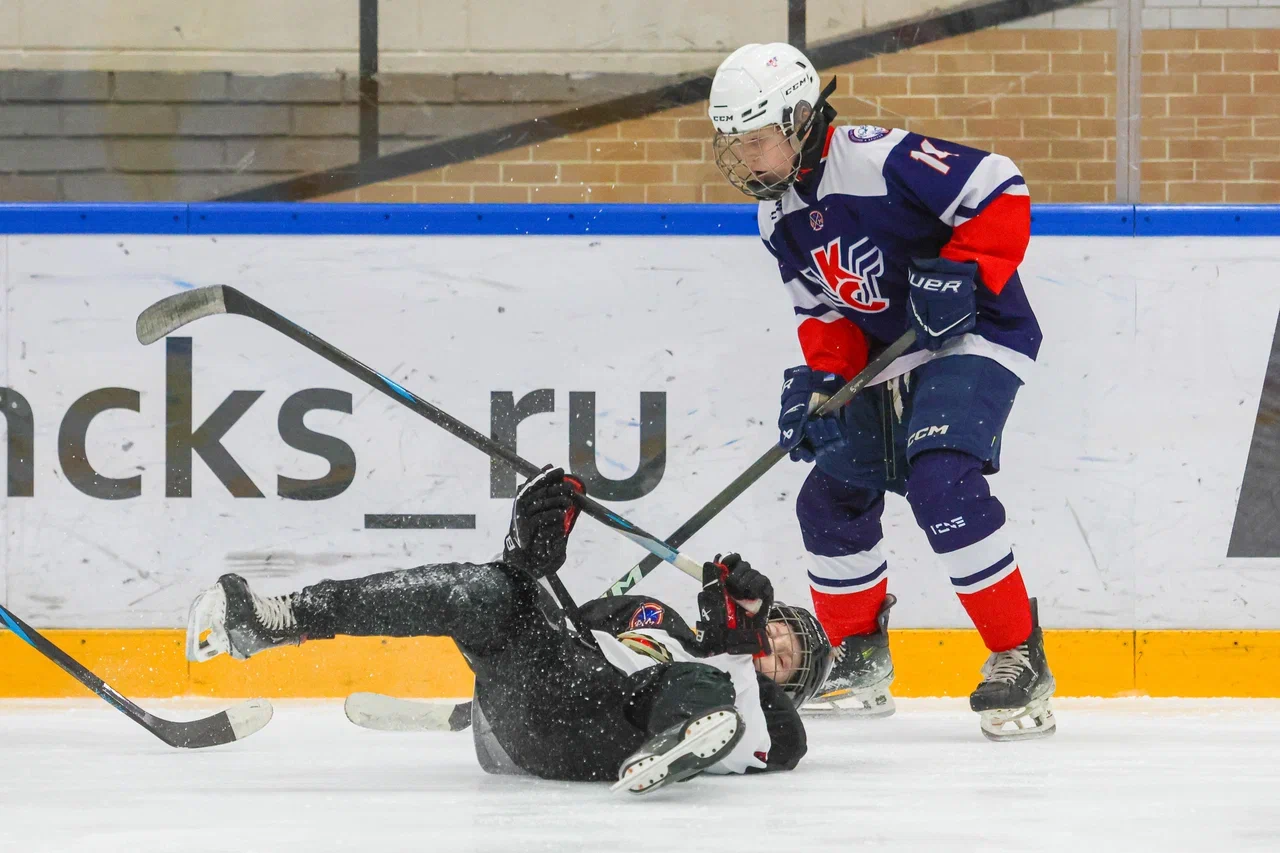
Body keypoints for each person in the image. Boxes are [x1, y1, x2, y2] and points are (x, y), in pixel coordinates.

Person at [707, 42, 1055, 741]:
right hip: (892, 356)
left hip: (974, 333)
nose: (745, 160)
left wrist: (959, 272)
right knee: (829, 496)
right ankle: (858, 657)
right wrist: (824, 386)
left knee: (941, 481)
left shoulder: (873, 156)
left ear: (801, 119)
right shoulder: (775, 216)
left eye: (756, 141)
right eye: (735, 145)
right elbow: (824, 312)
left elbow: (999, 185)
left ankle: (1019, 653)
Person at [184, 467, 832, 793]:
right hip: (538, 704)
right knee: (488, 592)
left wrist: (735, 656)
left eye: (785, 660)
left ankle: (676, 742)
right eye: (777, 633)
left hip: (607, 736)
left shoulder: (761, 708)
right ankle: (277, 617)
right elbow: (553, 629)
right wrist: (531, 555)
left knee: (693, 683)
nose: (775, 649)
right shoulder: (652, 615)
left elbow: (777, 742)